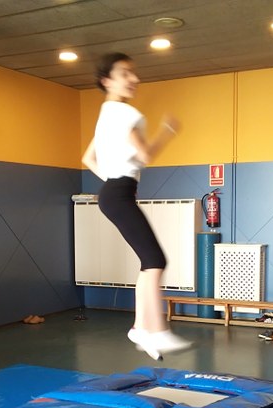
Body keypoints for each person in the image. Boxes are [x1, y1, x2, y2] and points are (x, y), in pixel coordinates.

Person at [82, 52, 191, 359]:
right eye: (125, 73)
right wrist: (167, 132)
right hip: (118, 194)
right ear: (107, 81)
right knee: (155, 260)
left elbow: (87, 158)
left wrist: (112, 179)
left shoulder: (105, 116)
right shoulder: (122, 113)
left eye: (133, 73)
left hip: (114, 193)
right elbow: (145, 156)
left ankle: (141, 328)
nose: (134, 79)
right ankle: (155, 330)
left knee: (149, 263)